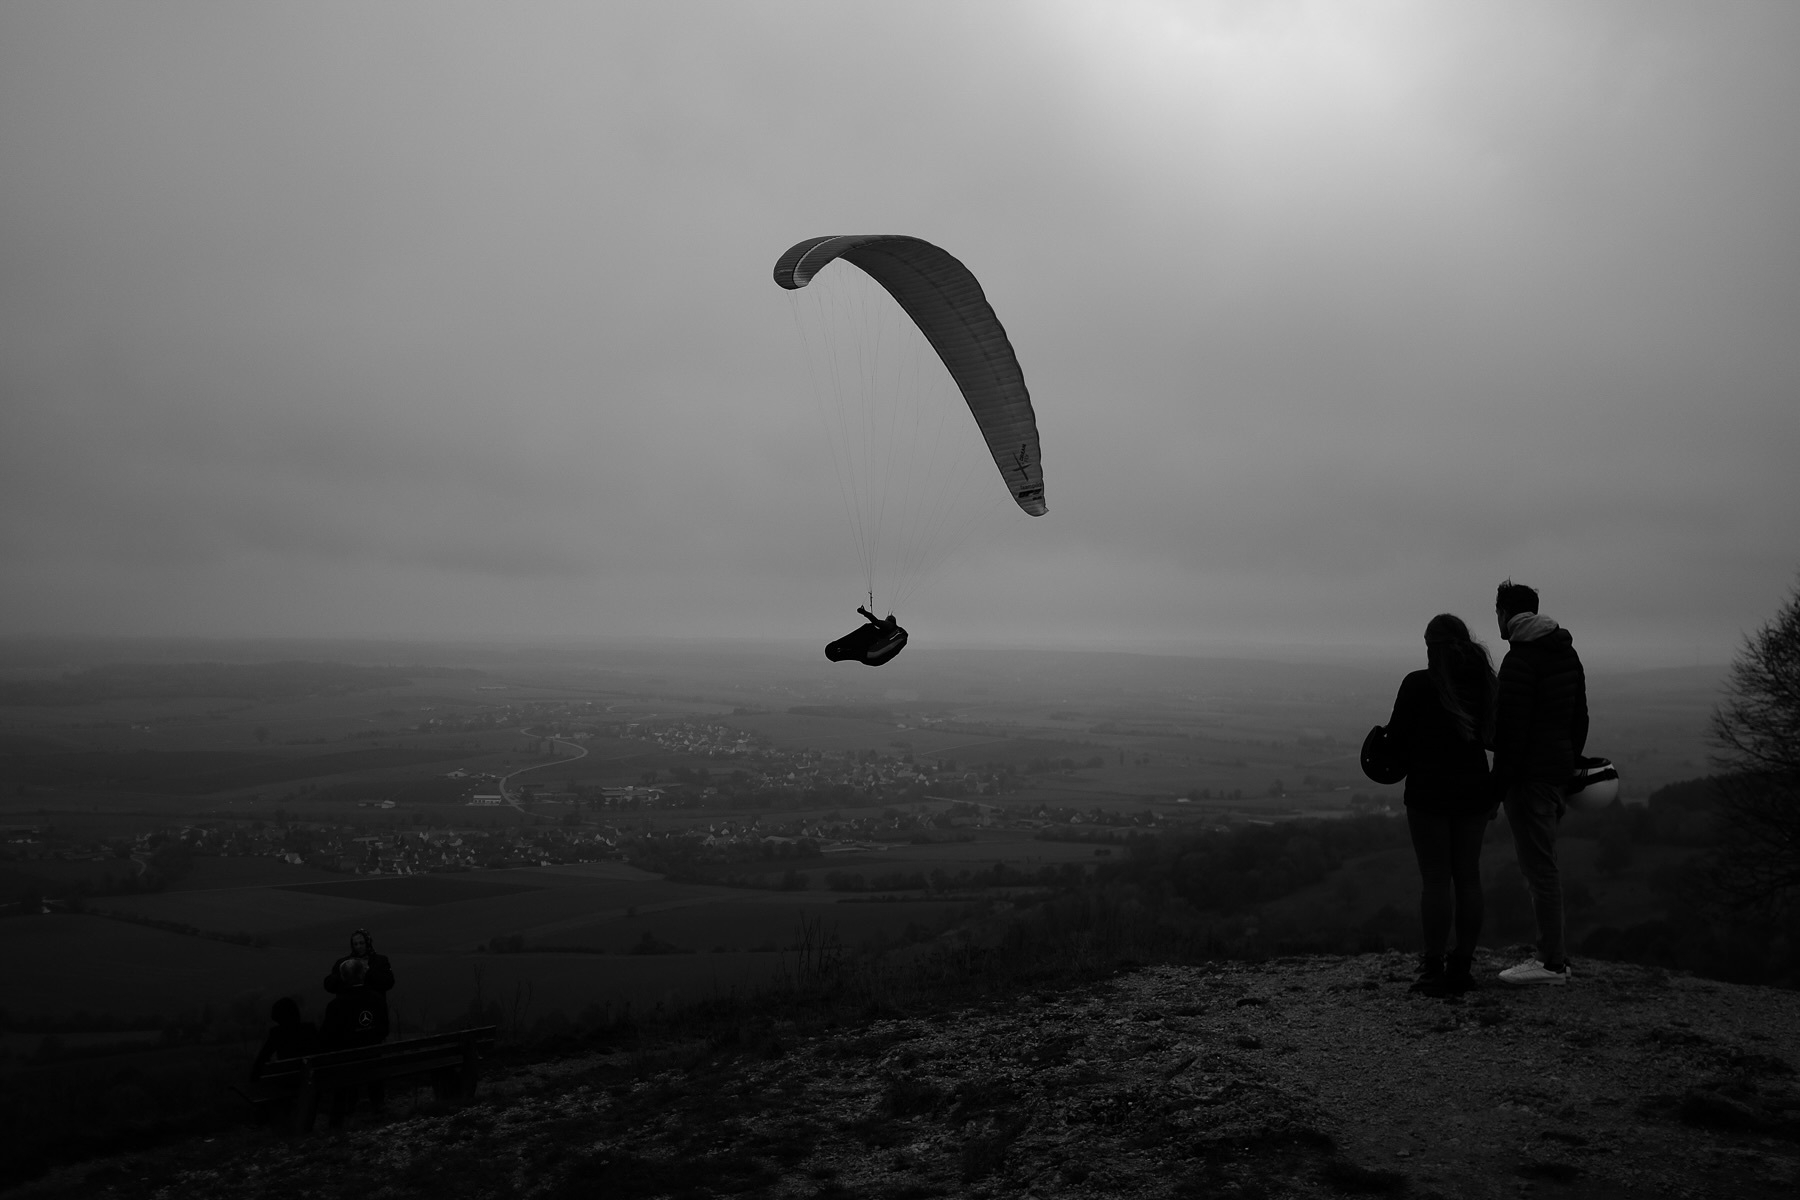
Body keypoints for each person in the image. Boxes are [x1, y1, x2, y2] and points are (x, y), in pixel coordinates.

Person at [1383, 614, 1498, 997]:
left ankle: (1433, 967)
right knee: (1468, 875)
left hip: (1428, 793)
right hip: (1474, 792)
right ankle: (1461, 966)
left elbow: (1396, 740)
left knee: (1435, 878)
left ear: (1430, 646)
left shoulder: (1417, 684)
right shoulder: (1483, 682)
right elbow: (1498, 737)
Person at [1491, 580, 1588, 986]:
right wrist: (1566, 763)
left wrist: (1495, 787)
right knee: (1544, 865)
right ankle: (1553, 957)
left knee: (1540, 870)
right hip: (1555, 774)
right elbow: (1579, 717)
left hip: (1529, 780)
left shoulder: (1520, 661)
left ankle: (1550, 963)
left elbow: (1510, 734)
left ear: (1505, 614)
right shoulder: (1564, 651)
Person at [319, 957, 389, 1126]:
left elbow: (327, 1038)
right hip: (373, 1059)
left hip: (346, 1064)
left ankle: (341, 1119)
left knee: (343, 1076)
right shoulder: (377, 999)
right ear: (363, 975)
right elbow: (384, 1030)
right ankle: (378, 1108)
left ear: (343, 978)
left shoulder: (335, 1005)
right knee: (372, 1065)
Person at [250, 996, 318, 1078]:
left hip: (289, 1081)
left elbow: (261, 1060)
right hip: (314, 1078)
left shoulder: (277, 1034)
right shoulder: (310, 1029)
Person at [825, 604, 908, 666]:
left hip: (870, 652)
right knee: (869, 631)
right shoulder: (890, 633)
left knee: (868, 628)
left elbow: (876, 622)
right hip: (872, 658)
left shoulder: (890, 625)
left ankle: (836, 649)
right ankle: (836, 653)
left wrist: (863, 612)